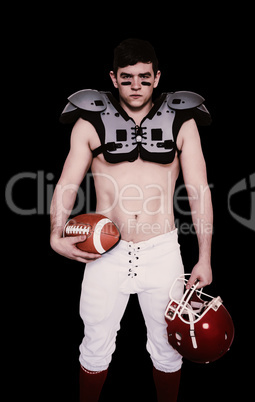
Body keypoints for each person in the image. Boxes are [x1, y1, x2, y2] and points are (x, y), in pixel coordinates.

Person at [50, 38, 213, 401]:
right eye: (127, 78)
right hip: (107, 253)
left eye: (143, 77)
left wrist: (204, 257)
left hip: (162, 252)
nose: (135, 86)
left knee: (169, 348)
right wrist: (55, 234)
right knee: (94, 345)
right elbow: (66, 185)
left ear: (157, 77)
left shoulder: (183, 121)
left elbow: (199, 190)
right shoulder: (89, 122)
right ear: (113, 78)